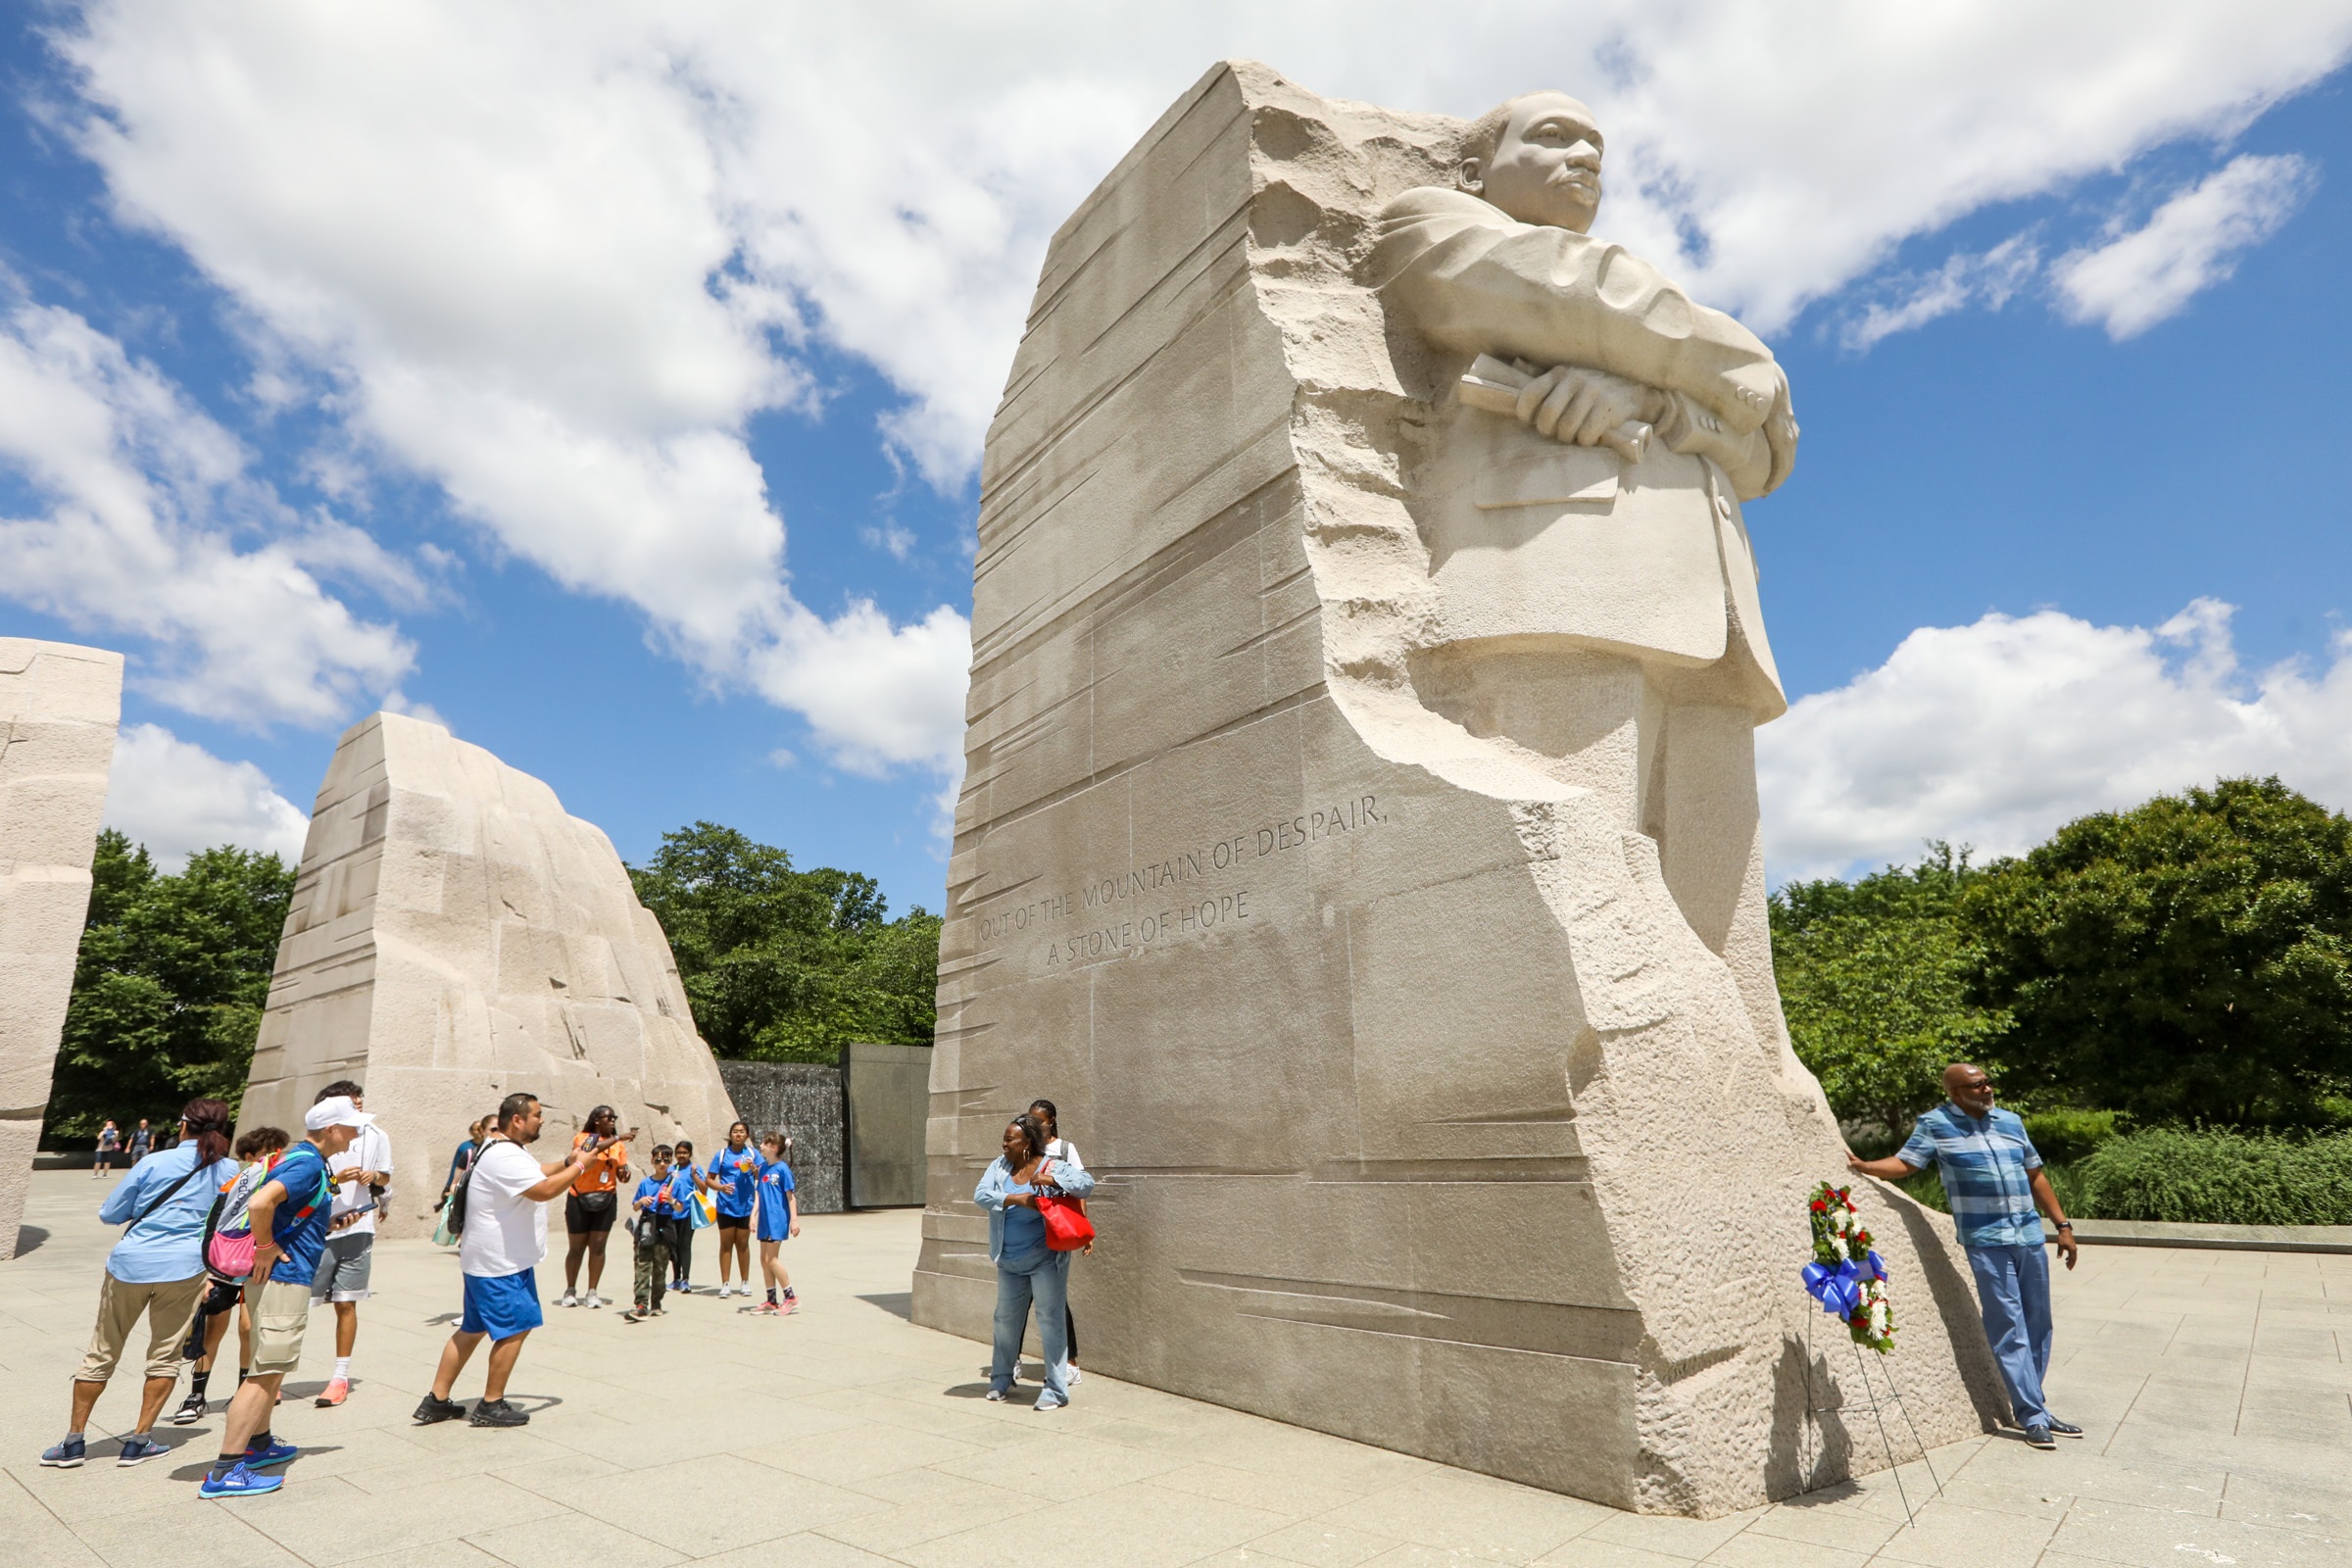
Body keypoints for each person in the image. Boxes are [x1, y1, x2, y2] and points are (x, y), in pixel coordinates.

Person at [1847, 1062, 2082, 1450]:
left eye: (1987, 1082)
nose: (1986, 1089)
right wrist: (1866, 1166)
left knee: (2038, 1322)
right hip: (1985, 1239)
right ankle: (2032, 1416)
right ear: (1955, 1093)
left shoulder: (2010, 1121)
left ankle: (2035, 1404)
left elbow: (2035, 1175)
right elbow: (1907, 1163)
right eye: (1976, 1086)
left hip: (2027, 1233)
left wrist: (2063, 1226)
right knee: (2008, 1322)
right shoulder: (1935, 1124)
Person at [40, 1099, 237, 1470]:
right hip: (186, 1269)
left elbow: (110, 1212)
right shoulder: (229, 1169)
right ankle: (139, 1441)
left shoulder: (154, 1161)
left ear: (183, 1125)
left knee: (101, 1351)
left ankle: (73, 1442)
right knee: (165, 1356)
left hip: (131, 1265)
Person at [198, 1095, 370, 1499]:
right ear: (331, 1130)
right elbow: (261, 1203)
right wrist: (264, 1246)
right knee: (265, 1372)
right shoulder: (308, 1162)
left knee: (269, 1366)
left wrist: (324, 1223)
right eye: (351, 1126)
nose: (356, 1132)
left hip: (279, 1275)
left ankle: (259, 1445)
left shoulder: (304, 1160)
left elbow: (285, 1212)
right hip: (283, 1278)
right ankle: (225, 1470)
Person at [415, 1091, 598, 1429]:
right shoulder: (504, 1156)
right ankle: (491, 1404)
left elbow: (538, 1172)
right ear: (517, 1119)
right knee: (516, 1327)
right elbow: (542, 1189)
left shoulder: (501, 1147)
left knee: (472, 1328)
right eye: (537, 1115)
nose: (542, 1120)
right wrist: (581, 1166)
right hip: (500, 1263)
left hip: (487, 1260)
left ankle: (436, 1401)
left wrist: (567, 1160)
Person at [975, 1113, 1095, 1410]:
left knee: (1050, 1320)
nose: (1004, 1143)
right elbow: (980, 1195)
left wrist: (1052, 1180)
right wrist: (1016, 1199)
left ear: (1027, 1142)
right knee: (1004, 1322)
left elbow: (1086, 1184)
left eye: (1010, 1138)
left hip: (1045, 1260)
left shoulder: (1049, 1164)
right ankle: (1001, 1379)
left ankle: (1055, 1390)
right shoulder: (999, 1167)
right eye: (1004, 1138)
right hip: (1008, 1260)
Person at [172, 1126, 290, 1425]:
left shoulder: (279, 1181)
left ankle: (243, 1391)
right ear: (250, 1156)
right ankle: (196, 1395)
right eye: (269, 1152)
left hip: (257, 1264)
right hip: (225, 1262)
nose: (275, 1158)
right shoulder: (237, 1182)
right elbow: (211, 1221)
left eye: (279, 1152)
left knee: (249, 1327)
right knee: (214, 1328)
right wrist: (205, 1269)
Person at [309, 1079, 393, 1407]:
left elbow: (386, 1176)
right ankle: (275, 1374)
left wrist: (375, 1177)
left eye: (359, 1103)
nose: (358, 1109)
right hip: (318, 1230)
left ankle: (340, 1376)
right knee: (301, 1303)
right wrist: (335, 1179)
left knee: (346, 1302)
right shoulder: (315, 1142)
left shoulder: (376, 1135)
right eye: (351, 1104)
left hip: (358, 1227)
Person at [1028, 1099, 1089, 1386]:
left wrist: (1084, 1229)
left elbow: (1080, 1188)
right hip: (1030, 1229)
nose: (1035, 1125)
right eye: (1031, 1120)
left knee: (1056, 1300)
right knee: (1024, 1298)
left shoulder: (1065, 1150)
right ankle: (1011, 1362)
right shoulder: (1026, 1147)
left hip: (1058, 1228)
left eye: (1039, 1121)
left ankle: (1071, 1364)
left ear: (1051, 1121)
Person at [560, 1104, 630, 1308]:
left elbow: (621, 1170)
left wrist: (624, 1174)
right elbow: (590, 1149)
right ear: (596, 1120)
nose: (612, 1121)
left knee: (598, 1246)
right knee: (576, 1247)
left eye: (614, 1117)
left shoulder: (619, 1147)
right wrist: (618, 1137)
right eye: (607, 1117)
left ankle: (592, 1291)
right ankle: (570, 1289)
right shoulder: (583, 1137)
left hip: (606, 1197)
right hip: (579, 1197)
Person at [624, 1145, 683, 1322]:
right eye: (658, 1160)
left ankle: (656, 1302)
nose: (662, 1164)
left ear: (671, 1162)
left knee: (660, 1267)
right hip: (647, 1222)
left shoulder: (675, 1182)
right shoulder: (645, 1183)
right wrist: (642, 1201)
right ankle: (641, 1304)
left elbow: (680, 1208)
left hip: (665, 1224)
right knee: (642, 1264)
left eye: (666, 1160)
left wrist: (671, 1200)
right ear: (652, 1161)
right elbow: (635, 1206)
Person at [705, 1122, 760, 1298]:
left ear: (747, 1135)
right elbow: (709, 1179)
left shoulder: (753, 1154)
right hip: (726, 1206)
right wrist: (720, 1188)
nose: (738, 1135)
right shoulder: (722, 1155)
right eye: (735, 1132)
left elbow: (762, 1175)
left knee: (743, 1244)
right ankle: (726, 1283)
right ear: (730, 1135)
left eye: (742, 1132)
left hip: (746, 1206)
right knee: (726, 1244)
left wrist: (753, 1169)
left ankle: (745, 1282)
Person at [749, 1131, 801, 1316]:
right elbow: (759, 1194)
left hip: (777, 1219)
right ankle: (771, 1300)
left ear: (774, 1148)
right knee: (764, 1260)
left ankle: (791, 1297)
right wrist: (753, 1215)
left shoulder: (782, 1170)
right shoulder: (762, 1168)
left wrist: (794, 1220)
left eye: (764, 1143)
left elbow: (790, 1197)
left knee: (772, 1259)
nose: (760, 1146)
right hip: (764, 1219)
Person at [668, 1137, 708, 1293]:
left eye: (685, 1153)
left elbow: (704, 1189)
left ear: (690, 1154)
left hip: (688, 1213)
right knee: (673, 1247)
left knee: (685, 1246)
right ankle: (675, 1278)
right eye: (679, 1153)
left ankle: (685, 1279)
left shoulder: (695, 1169)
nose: (681, 1155)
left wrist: (694, 1176)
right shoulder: (671, 1170)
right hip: (671, 1212)